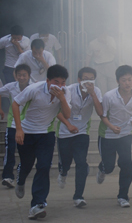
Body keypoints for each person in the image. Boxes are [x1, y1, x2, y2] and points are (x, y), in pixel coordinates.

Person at [12, 64, 70, 220]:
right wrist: (18, 129)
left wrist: (62, 98)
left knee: (44, 166)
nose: (59, 86)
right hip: (27, 132)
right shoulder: (35, 89)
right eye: (56, 82)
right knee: (27, 163)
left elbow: (67, 114)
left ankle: (37, 204)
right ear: (47, 81)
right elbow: (15, 104)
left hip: (46, 134)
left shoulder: (65, 92)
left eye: (62, 82)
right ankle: (21, 179)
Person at [97, 65, 132, 208]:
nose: (127, 83)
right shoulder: (109, 96)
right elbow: (103, 115)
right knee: (109, 166)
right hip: (108, 135)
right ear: (118, 81)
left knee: (127, 164)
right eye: (124, 80)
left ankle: (123, 196)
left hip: (125, 134)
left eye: (130, 80)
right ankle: (102, 168)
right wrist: (111, 127)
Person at [56, 67, 103, 207]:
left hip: (82, 131)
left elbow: (101, 112)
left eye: (91, 79)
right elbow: (58, 111)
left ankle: (78, 196)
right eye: (84, 79)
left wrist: (92, 94)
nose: (87, 82)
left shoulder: (96, 91)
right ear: (78, 80)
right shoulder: (68, 90)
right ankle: (63, 172)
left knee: (81, 163)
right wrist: (68, 125)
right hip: (65, 130)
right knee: (66, 162)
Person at [0, 64, 31, 188]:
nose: (22, 77)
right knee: (10, 150)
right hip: (13, 124)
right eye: (19, 75)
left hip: (28, 125)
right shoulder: (11, 86)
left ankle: (20, 171)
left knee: (27, 153)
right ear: (15, 75)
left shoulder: (34, 87)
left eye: (24, 75)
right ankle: (7, 176)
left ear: (29, 76)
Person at [86, 28, 117, 94]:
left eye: (104, 34)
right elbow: (88, 56)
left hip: (110, 65)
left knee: (113, 87)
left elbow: (114, 52)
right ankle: (103, 103)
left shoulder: (111, 40)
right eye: (101, 35)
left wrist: (106, 43)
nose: (103, 36)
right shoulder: (92, 43)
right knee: (102, 89)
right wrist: (86, 68)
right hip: (99, 66)